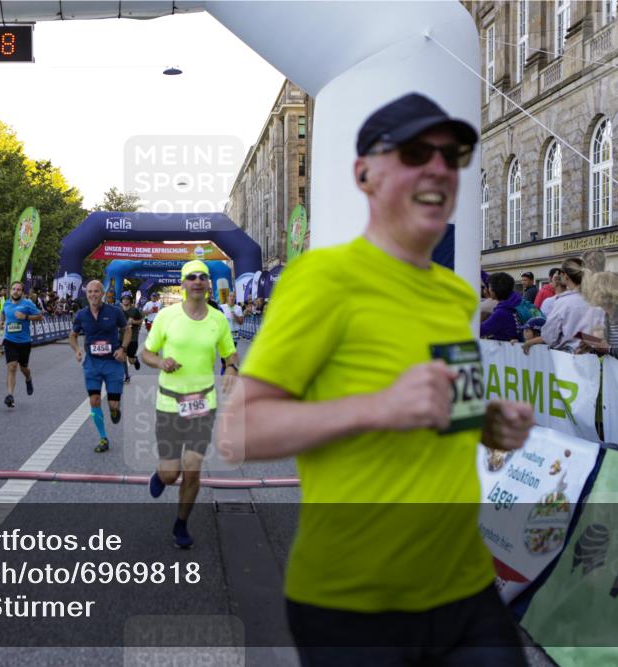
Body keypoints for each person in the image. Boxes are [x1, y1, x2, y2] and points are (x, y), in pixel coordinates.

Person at [216, 93, 532, 665]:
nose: (438, 166)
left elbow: (448, 410)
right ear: (364, 174)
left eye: (451, 153)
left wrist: (489, 424)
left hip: (465, 588)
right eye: (415, 152)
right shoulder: (323, 278)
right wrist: (378, 408)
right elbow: (236, 434)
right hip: (355, 607)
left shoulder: (454, 293)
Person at [142, 260, 238, 548]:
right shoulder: (166, 316)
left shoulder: (218, 320)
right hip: (170, 404)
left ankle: (181, 524)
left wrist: (232, 369)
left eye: (202, 277)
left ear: (208, 283)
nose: (197, 281)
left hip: (202, 404)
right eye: (191, 277)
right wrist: (161, 361)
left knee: (193, 466)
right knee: (172, 473)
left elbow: (230, 355)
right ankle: (161, 476)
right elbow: (146, 353)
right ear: (183, 284)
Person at [69, 281, 130, 452]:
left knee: (113, 405)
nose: (93, 294)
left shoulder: (114, 312)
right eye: (90, 292)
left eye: (96, 291)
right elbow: (72, 335)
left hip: (113, 363)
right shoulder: (81, 315)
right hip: (92, 364)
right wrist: (76, 350)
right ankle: (103, 438)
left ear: (102, 293)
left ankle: (115, 410)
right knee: (94, 400)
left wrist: (123, 349)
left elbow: (127, 329)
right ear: (86, 294)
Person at [523, 258, 602, 354]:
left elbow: (549, 336)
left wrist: (530, 342)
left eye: (562, 273)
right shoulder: (598, 300)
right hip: (598, 358)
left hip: (568, 357)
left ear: (566, 277)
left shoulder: (563, 302)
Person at [0, 281, 42, 408]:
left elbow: (40, 316)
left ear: (22, 292)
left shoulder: (27, 304)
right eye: (13, 289)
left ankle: (28, 378)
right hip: (9, 340)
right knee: (12, 367)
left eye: (18, 289)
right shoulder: (6, 303)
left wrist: (26, 317)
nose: (15, 291)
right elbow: (3, 313)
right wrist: (1, 322)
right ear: (10, 291)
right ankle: (10, 395)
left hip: (24, 341)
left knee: (24, 368)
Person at [479, 272, 521, 341]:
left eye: (489, 287)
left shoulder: (501, 313)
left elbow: (478, 331)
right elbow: (494, 282)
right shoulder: (514, 298)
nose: (488, 289)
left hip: (507, 350)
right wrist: (479, 271)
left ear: (494, 290)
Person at [119, 293, 143, 381]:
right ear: (121, 300)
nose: (125, 300)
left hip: (132, 338)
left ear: (130, 300)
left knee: (131, 360)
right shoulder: (118, 310)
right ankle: (126, 376)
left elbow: (140, 321)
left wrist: (133, 322)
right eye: (124, 298)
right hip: (121, 337)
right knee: (122, 357)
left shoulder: (135, 311)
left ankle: (135, 360)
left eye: (127, 298)